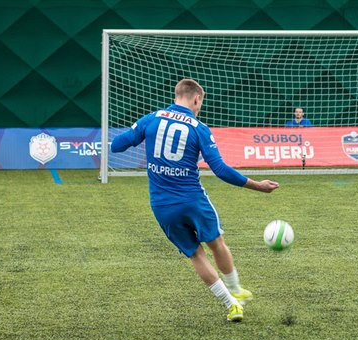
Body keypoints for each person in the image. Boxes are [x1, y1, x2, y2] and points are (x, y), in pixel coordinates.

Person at [111, 79, 279, 322]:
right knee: (216, 243)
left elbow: (117, 146)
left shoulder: (151, 119)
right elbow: (220, 169)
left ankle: (231, 304)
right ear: (196, 99)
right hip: (192, 200)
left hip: (161, 205)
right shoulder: (199, 128)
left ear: (176, 95)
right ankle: (236, 290)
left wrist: (140, 132)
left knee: (196, 255)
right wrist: (258, 186)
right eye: (201, 103)